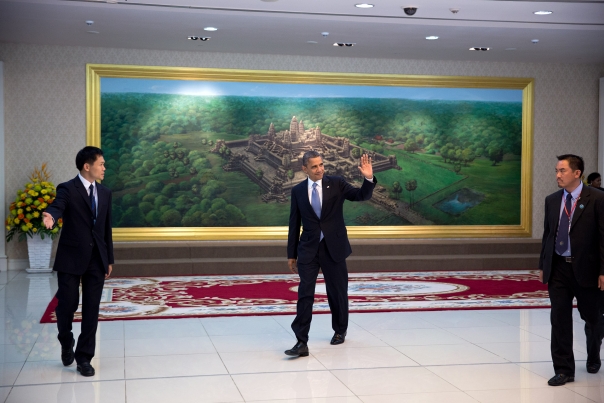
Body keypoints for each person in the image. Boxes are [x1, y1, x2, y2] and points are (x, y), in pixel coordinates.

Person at [285, 150, 376, 357]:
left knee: (337, 292)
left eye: (321, 165)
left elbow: (360, 195)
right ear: (305, 169)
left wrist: (368, 178)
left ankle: (340, 330)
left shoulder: (336, 183)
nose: (319, 169)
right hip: (308, 249)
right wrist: (292, 254)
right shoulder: (298, 191)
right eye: (315, 166)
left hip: (333, 247)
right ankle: (301, 341)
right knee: (305, 294)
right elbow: (294, 223)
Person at [42, 146, 114, 377]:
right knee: (67, 306)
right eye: (101, 164)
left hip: (96, 260)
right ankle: (65, 340)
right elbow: (58, 205)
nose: (104, 168)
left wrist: (108, 258)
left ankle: (84, 358)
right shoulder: (67, 188)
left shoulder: (105, 193)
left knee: (91, 309)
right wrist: (51, 214)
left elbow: (105, 229)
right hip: (71, 258)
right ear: (87, 166)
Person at [539, 154, 604, 386]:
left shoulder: (597, 198)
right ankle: (564, 369)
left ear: (577, 173)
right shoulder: (552, 200)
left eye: (562, 171)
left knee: (593, 317)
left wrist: (603, 270)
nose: (557, 175)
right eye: (556, 170)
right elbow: (548, 235)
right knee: (559, 319)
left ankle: (594, 352)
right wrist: (543, 264)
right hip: (558, 269)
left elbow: (603, 238)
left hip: (587, 268)